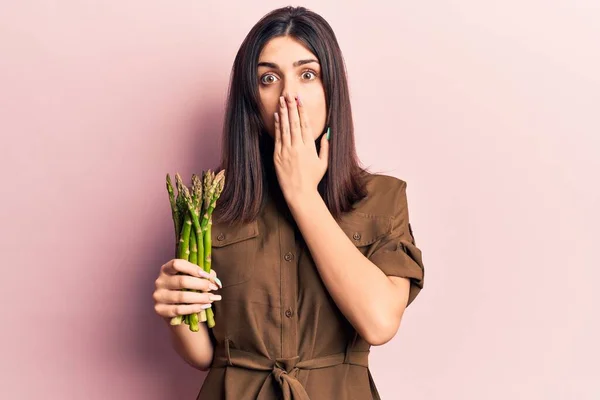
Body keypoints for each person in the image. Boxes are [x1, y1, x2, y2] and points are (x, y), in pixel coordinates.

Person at [152, 6, 425, 399]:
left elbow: (379, 322)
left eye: (307, 74)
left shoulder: (382, 197)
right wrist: (176, 309)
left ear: (332, 89)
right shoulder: (209, 203)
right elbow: (203, 355)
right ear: (252, 98)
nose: (289, 95)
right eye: (268, 78)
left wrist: (302, 194)